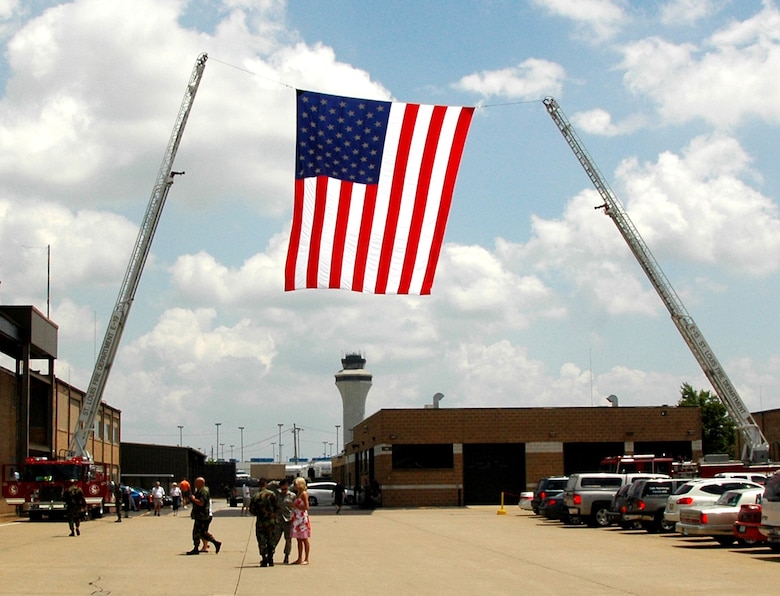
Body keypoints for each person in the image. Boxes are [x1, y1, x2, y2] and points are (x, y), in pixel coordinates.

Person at [249, 478, 280, 567]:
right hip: (271, 521)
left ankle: (264, 558)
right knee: (271, 539)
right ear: (266, 484)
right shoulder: (272, 494)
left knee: (261, 540)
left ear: (259, 485)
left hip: (261, 522)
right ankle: (271, 558)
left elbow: (252, 510)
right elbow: (277, 507)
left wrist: (260, 514)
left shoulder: (256, 496)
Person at [187, 477, 221, 555]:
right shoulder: (200, 490)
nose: (195, 484)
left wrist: (193, 499)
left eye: (197, 482)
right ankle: (215, 543)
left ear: (201, 483)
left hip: (202, 516)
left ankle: (197, 548)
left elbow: (201, 503)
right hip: (200, 515)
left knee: (197, 532)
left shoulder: (203, 491)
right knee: (202, 533)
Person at [274, 478, 296, 564]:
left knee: (288, 539)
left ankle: (287, 556)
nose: (284, 490)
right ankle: (270, 554)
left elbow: (295, 507)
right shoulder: (277, 495)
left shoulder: (292, 496)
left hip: (288, 520)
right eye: (282, 489)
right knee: (275, 538)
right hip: (279, 520)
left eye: (285, 489)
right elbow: (270, 485)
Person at [290, 477, 311, 565]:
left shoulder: (304, 494)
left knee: (304, 538)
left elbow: (306, 507)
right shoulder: (298, 494)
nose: (294, 486)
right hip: (296, 517)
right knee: (298, 539)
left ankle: (306, 558)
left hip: (302, 518)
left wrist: (296, 507)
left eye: (296, 484)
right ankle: (299, 558)